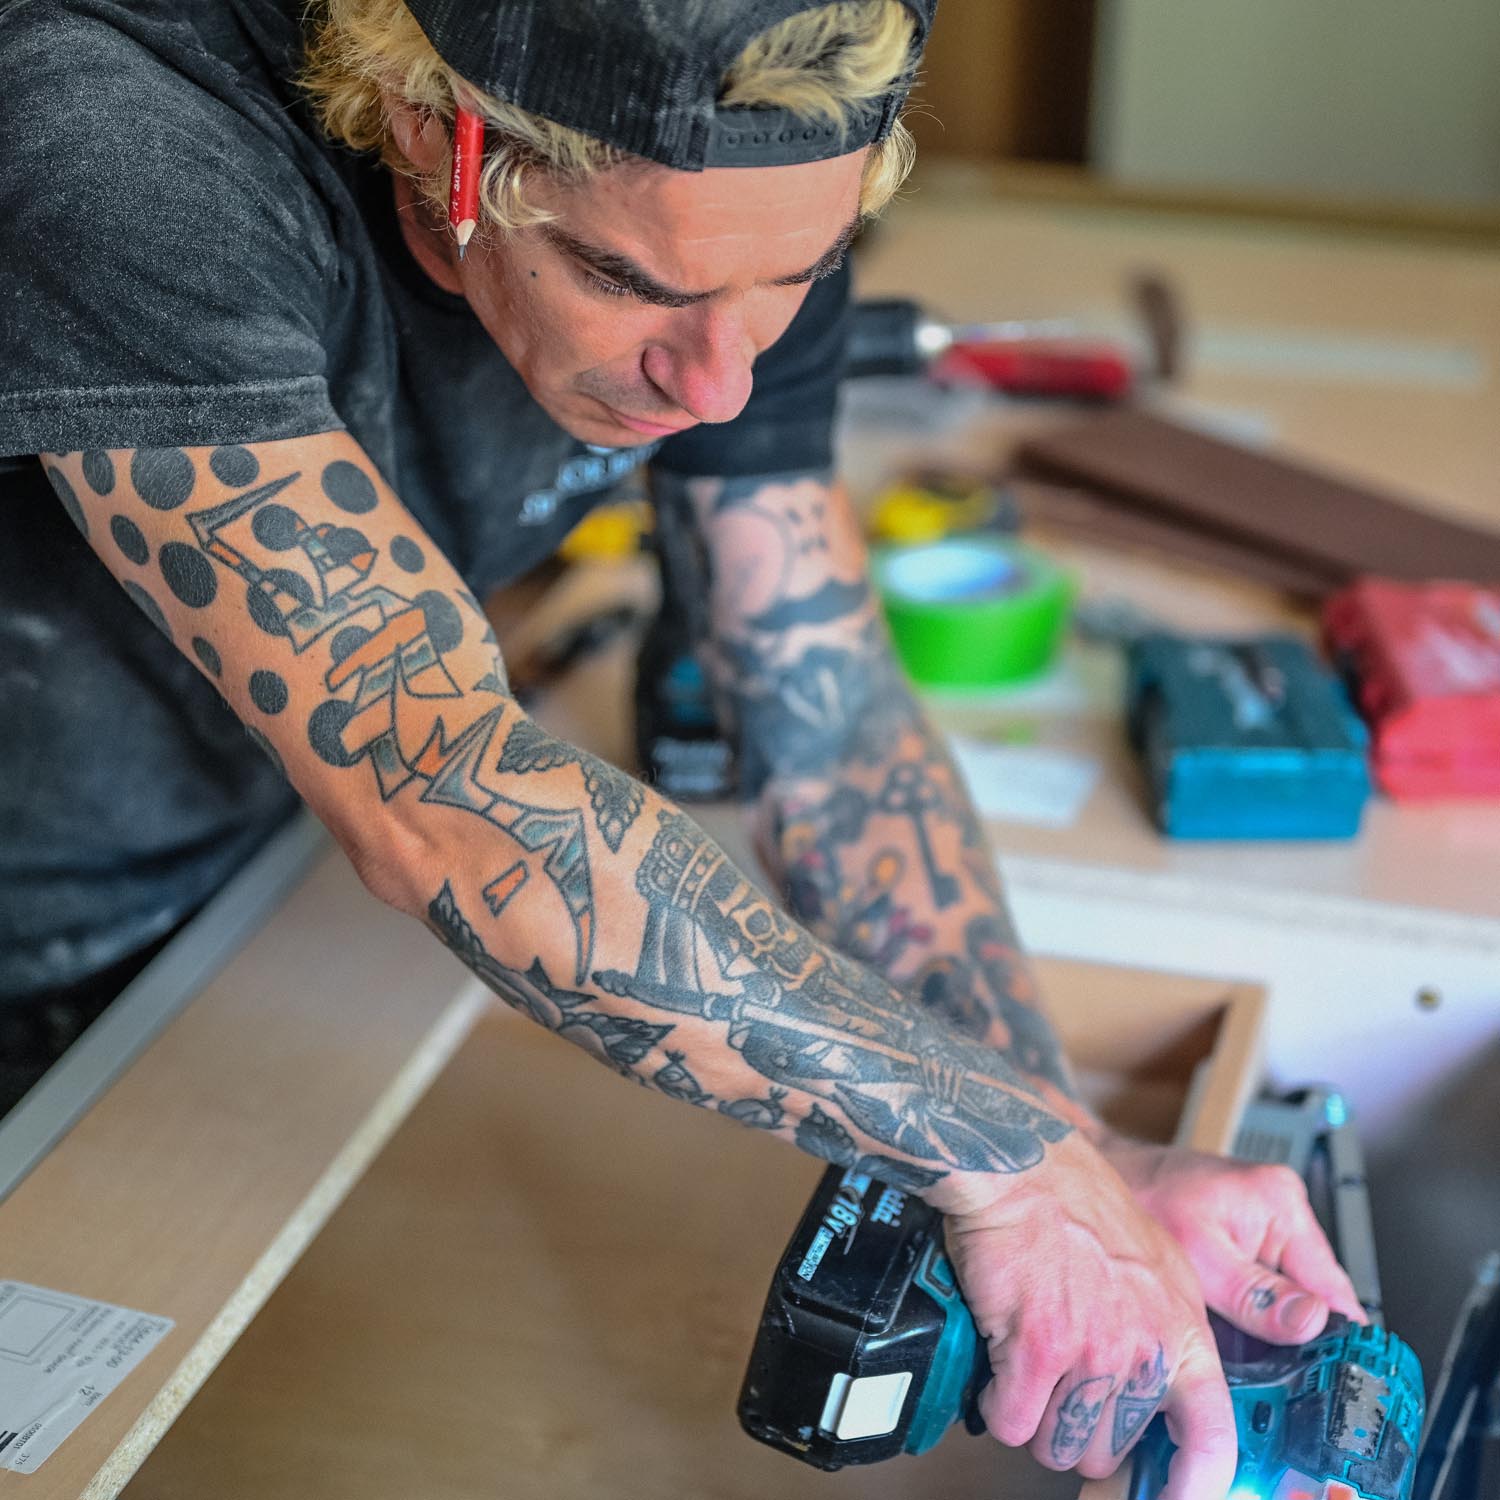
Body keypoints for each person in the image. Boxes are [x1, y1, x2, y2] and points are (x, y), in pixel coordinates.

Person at [0, 1, 1364, 1492]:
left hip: (237, 874)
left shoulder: (745, 215)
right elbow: (439, 781)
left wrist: (1064, 1144)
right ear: (433, 132)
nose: (720, 383)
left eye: (795, 281)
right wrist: (1008, 1163)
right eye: (624, 281)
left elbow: (829, 720)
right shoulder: (118, 145)